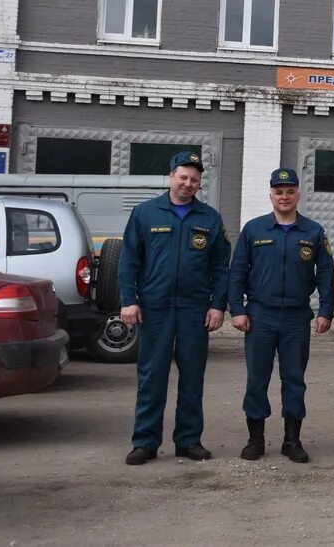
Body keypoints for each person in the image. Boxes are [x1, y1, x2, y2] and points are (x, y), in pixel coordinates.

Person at [119, 151, 230, 465]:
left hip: (195, 309)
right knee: (152, 376)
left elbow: (222, 266)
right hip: (155, 308)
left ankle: (188, 440)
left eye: (194, 179)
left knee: (192, 377)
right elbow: (129, 261)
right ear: (171, 177)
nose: (188, 183)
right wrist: (129, 300)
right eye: (183, 177)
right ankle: (145, 442)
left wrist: (218, 306)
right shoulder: (145, 214)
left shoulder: (209, 218)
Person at [228, 167, 334, 463]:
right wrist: (236, 309)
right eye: (279, 191)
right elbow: (237, 272)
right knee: (257, 379)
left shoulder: (313, 231)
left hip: (296, 318)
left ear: (298, 194)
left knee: (294, 379)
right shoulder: (254, 229)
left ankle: (292, 440)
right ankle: (256, 439)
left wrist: (325, 310)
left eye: (290, 191)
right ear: (271, 195)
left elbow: (326, 274)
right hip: (260, 315)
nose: (284, 197)